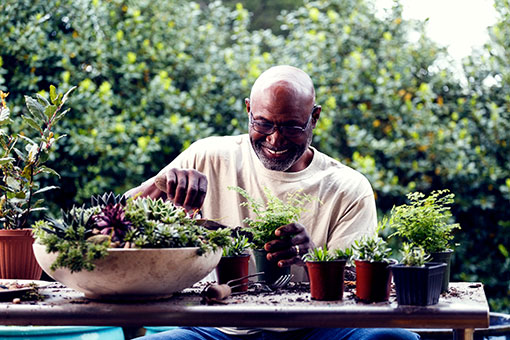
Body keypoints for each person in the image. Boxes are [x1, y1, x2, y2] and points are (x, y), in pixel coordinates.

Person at [127, 65, 419, 340]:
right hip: (218, 331)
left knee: (394, 337)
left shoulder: (347, 187)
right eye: (263, 123)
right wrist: (160, 185)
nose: (275, 139)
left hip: (317, 332)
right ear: (248, 110)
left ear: (314, 118)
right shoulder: (208, 156)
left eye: (292, 127)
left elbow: (359, 287)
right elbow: (108, 222)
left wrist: (312, 257)